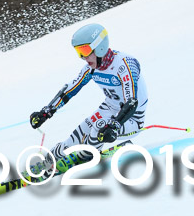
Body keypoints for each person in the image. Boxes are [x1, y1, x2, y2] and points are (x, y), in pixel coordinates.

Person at [29, 23, 148, 173]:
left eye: (84, 50)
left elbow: (132, 102)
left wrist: (116, 124)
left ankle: (86, 157)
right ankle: (46, 163)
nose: (83, 57)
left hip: (131, 119)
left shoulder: (125, 64)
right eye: (79, 52)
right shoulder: (91, 69)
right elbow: (70, 90)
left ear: (100, 47)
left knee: (99, 127)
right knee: (72, 140)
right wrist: (46, 112)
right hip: (109, 109)